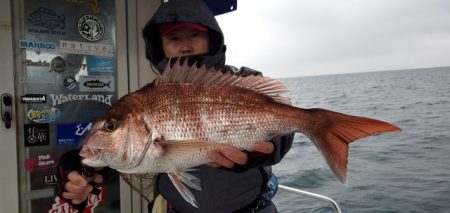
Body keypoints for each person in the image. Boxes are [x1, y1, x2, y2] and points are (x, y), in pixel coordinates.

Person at [56, 0, 294, 212]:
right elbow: (129, 149)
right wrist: (85, 169)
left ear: (212, 39)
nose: (186, 46)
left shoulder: (243, 82)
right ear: (160, 46)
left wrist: (263, 152)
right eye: (174, 38)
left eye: (194, 35)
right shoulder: (145, 99)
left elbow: (285, 125)